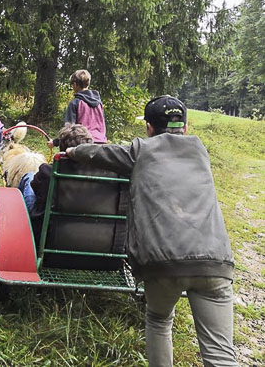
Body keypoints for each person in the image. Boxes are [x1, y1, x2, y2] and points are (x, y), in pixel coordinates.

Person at [65, 96, 236, 366]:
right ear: (186, 128)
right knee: (220, 353)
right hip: (214, 262)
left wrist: (72, 152)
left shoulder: (141, 150)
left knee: (159, 320)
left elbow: (100, 153)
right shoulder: (200, 150)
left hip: (162, 262)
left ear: (149, 128)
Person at [48, 70, 106, 149]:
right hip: (101, 145)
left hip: (83, 144)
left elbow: (69, 130)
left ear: (75, 84)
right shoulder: (99, 103)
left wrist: (55, 142)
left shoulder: (75, 103)